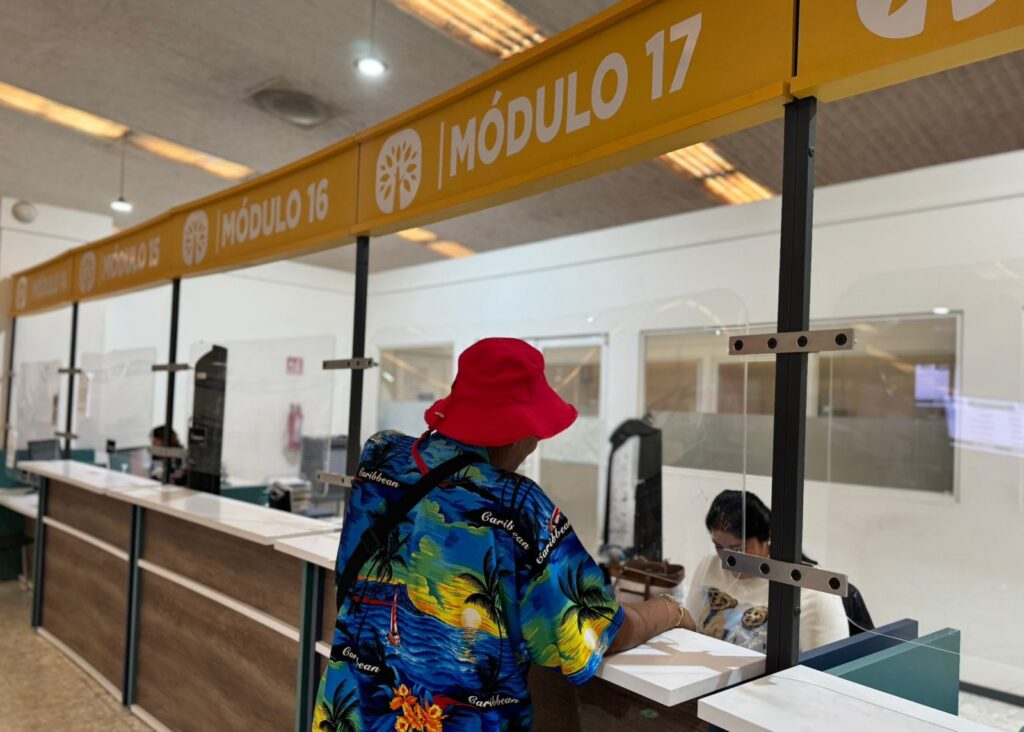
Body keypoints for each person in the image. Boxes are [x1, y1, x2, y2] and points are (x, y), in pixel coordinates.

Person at [314, 338, 686, 731]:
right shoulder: (521, 507)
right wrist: (670, 612)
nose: (536, 443)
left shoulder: (381, 455)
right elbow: (597, 628)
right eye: (535, 430)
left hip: (349, 716)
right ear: (518, 431)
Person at [679, 490, 848, 653]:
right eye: (718, 546)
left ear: (768, 538)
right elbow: (689, 632)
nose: (726, 559)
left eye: (737, 550)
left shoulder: (815, 594)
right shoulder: (710, 565)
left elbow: (827, 666)